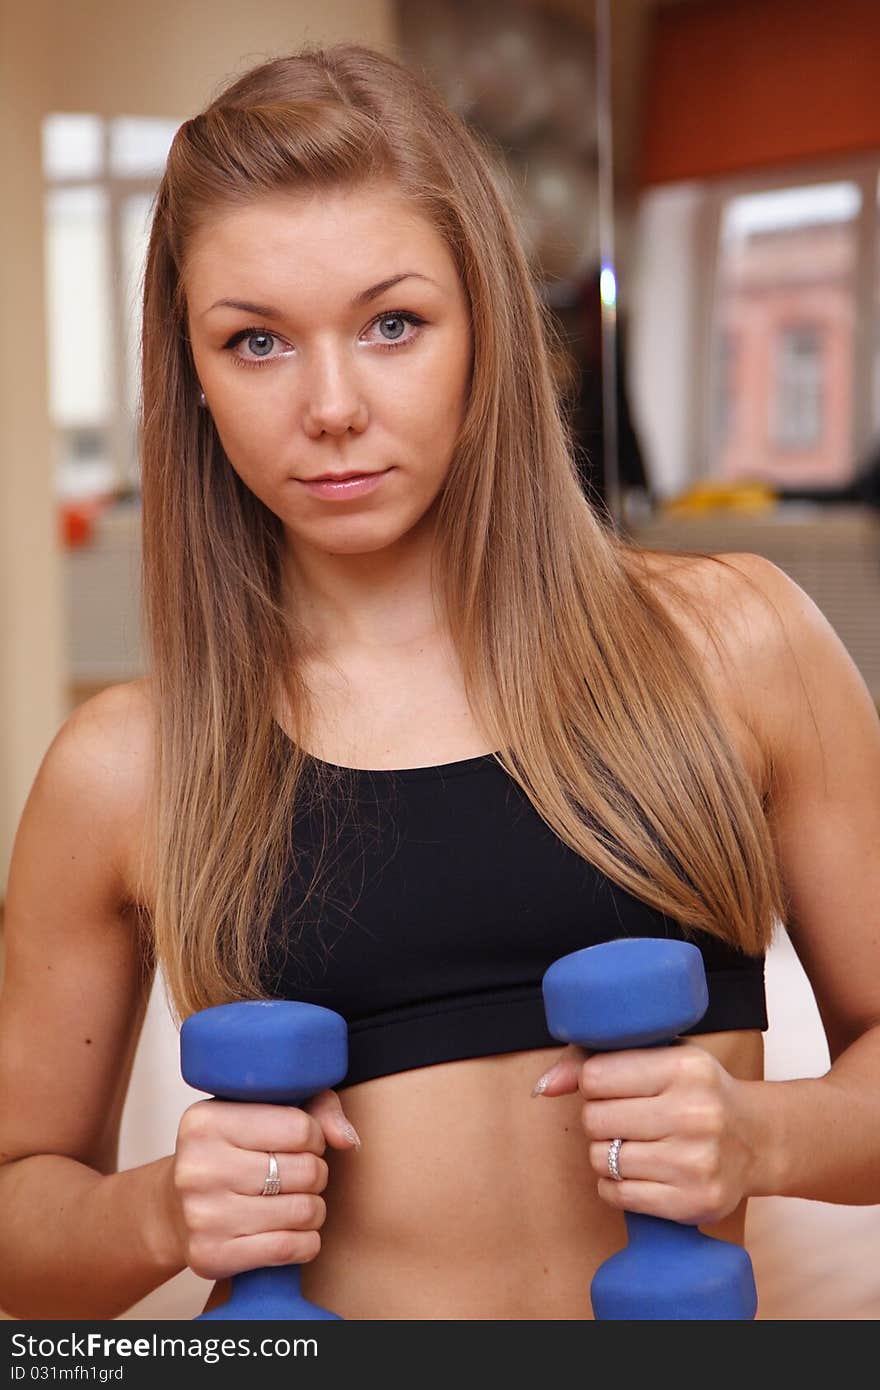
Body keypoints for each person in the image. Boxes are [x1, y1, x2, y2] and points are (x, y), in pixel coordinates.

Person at [1, 41, 879, 1323]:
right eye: (256, 343)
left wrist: (764, 1136)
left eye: (393, 323)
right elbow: (20, 1224)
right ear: (190, 377)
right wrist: (158, 1211)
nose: (334, 404)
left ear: (486, 330)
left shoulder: (735, 645)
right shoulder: (129, 764)